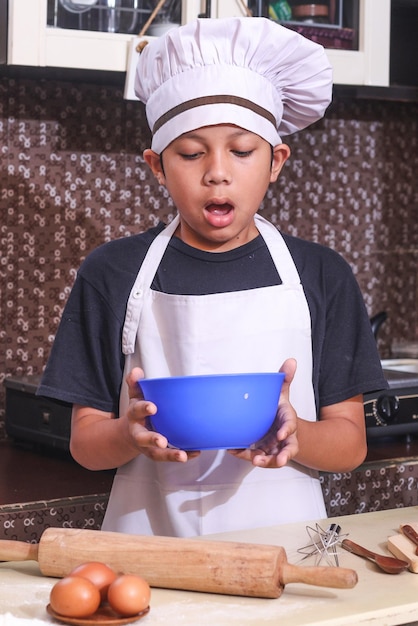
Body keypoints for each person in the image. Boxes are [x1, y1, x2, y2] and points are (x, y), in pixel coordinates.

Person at [38, 17, 387, 537]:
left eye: (242, 151)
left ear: (276, 161)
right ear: (157, 165)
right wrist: (129, 434)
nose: (217, 172)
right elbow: (86, 445)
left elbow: (350, 445)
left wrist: (297, 433)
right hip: (150, 551)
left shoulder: (322, 274)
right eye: (191, 152)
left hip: (286, 547)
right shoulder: (111, 272)